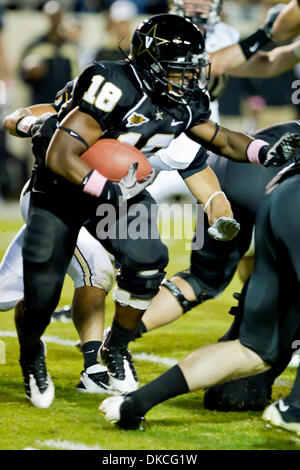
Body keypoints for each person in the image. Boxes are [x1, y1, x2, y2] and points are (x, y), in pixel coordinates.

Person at [14, 13, 298, 409]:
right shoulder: (110, 83)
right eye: (179, 70)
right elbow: (59, 153)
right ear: (150, 64)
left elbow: (219, 138)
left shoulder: (183, 100)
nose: (190, 80)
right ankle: (31, 355)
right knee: (41, 293)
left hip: (120, 189)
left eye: (193, 70)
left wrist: (262, 151)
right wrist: (110, 189)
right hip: (60, 189)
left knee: (148, 262)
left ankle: (116, 347)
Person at [99, 154, 300, 432]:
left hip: (273, 194)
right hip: (273, 193)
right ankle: (295, 410)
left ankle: (133, 401)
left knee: (249, 352)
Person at [2, 80, 116, 400]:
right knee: (95, 270)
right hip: (49, 202)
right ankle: (41, 355)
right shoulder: (64, 113)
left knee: (5, 293)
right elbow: (13, 119)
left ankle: (94, 365)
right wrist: (34, 123)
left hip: (88, 210)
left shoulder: (117, 119)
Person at [19, 1, 80, 104]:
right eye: (51, 16)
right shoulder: (35, 46)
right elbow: (21, 74)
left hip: (64, 106)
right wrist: (30, 73)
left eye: (57, 16)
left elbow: (77, 75)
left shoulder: (70, 47)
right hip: (40, 105)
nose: (54, 20)